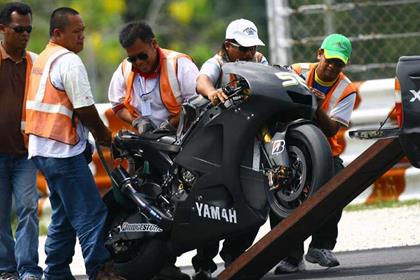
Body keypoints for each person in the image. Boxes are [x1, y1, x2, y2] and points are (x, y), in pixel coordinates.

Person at [25, 7, 124, 280]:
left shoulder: (44, 58)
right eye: (77, 32)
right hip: (62, 151)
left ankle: (55, 272)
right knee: (92, 214)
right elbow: (85, 108)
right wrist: (105, 137)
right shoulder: (68, 61)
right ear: (58, 33)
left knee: (64, 216)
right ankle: (101, 270)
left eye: (83, 31)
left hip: (42, 150)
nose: (82, 37)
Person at [108, 21, 199, 280]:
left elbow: (197, 105)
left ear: (154, 44)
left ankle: (202, 262)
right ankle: (160, 265)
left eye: (142, 56)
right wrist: (136, 121)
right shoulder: (125, 69)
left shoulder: (179, 64)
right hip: (147, 147)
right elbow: (116, 105)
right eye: (132, 58)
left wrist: (168, 125)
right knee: (152, 201)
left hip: (182, 143)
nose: (138, 62)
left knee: (186, 202)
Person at [273, 33, 358, 274]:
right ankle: (290, 256)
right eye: (329, 59)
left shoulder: (347, 89)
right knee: (282, 191)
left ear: (345, 64)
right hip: (290, 146)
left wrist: (316, 106)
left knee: (337, 187)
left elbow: (332, 128)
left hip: (325, 149)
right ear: (319, 54)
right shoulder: (296, 71)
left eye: (339, 63)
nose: (332, 66)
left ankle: (320, 246)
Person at [191, 18, 267, 280]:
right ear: (228, 46)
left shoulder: (259, 60)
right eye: (244, 48)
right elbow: (201, 81)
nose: (249, 53)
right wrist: (212, 92)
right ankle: (203, 263)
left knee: (256, 202)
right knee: (213, 203)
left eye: (251, 47)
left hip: (252, 143)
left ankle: (234, 255)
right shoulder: (216, 63)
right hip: (218, 146)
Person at [0, 2, 42, 280]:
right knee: (1, 215)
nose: (25, 34)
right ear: (3, 29)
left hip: (26, 153)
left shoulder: (36, 63)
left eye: (28, 29)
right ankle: (6, 269)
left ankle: (28, 269)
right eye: (18, 29)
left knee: (28, 208)